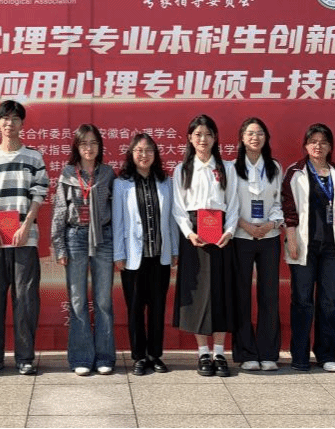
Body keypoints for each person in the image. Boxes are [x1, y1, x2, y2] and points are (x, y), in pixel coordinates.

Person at [0, 100, 50, 376]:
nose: (10, 123)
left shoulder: (34, 157)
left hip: (23, 239)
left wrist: (26, 225)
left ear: (22, 123)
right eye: (5, 119)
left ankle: (25, 358)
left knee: (26, 301)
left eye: (15, 119)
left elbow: (39, 194)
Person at [171, 114, 239, 377]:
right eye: (198, 134)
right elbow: (178, 208)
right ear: (190, 138)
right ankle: (202, 353)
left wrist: (229, 231)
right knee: (198, 294)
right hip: (194, 237)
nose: (203, 139)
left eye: (208, 134)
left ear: (215, 138)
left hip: (221, 236)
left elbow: (233, 204)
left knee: (221, 292)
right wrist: (189, 233)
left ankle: (219, 352)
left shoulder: (227, 168)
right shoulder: (182, 169)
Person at [281, 123, 335, 373]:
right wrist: (291, 239)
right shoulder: (295, 172)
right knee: (302, 301)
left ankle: (328, 354)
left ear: (330, 146)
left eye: (323, 142)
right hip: (304, 246)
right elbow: (288, 208)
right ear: (306, 145)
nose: (318, 146)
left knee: (329, 302)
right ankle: (299, 355)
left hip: (332, 248)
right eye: (313, 141)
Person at [51, 124, 117, 375]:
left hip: (103, 237)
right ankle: (81, 357)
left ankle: (105, 357)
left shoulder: (108, 173)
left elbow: (117, 211)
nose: (89, 148)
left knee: (103, 300)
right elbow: (59, 210)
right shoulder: (68, 173)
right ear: (76, 147)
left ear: (100, 146)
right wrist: (59, 247)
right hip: (75, 237)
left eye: (93, 143)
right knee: (77, 300)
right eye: (84, 143)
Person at [113, 133, 179, 377]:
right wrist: (119, 254)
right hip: (133, 257)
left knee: (158, 307)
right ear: (131, 154)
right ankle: (139, 356)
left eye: (149, 150)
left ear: (156, 154)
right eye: (139, 150)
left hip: (159, 256)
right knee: (135, 308)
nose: (144, 155)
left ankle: (155, 355)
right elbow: (118, 221)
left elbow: (171, 219)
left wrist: (174, 250)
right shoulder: (122, 184)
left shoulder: (166, 182)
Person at [230, 117, 284, 372]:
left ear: (266, 138)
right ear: (242, 138)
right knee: (241, 295)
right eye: (250, 133)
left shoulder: (274, 167)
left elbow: (279, 202)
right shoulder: (232, 168)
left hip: (269, 238)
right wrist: (245, 225)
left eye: (260, 133)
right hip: (241, 237)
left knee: (269, 296)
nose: (255, 137)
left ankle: (268, 353)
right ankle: (246, 352)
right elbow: (228, 204)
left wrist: (271, 224)